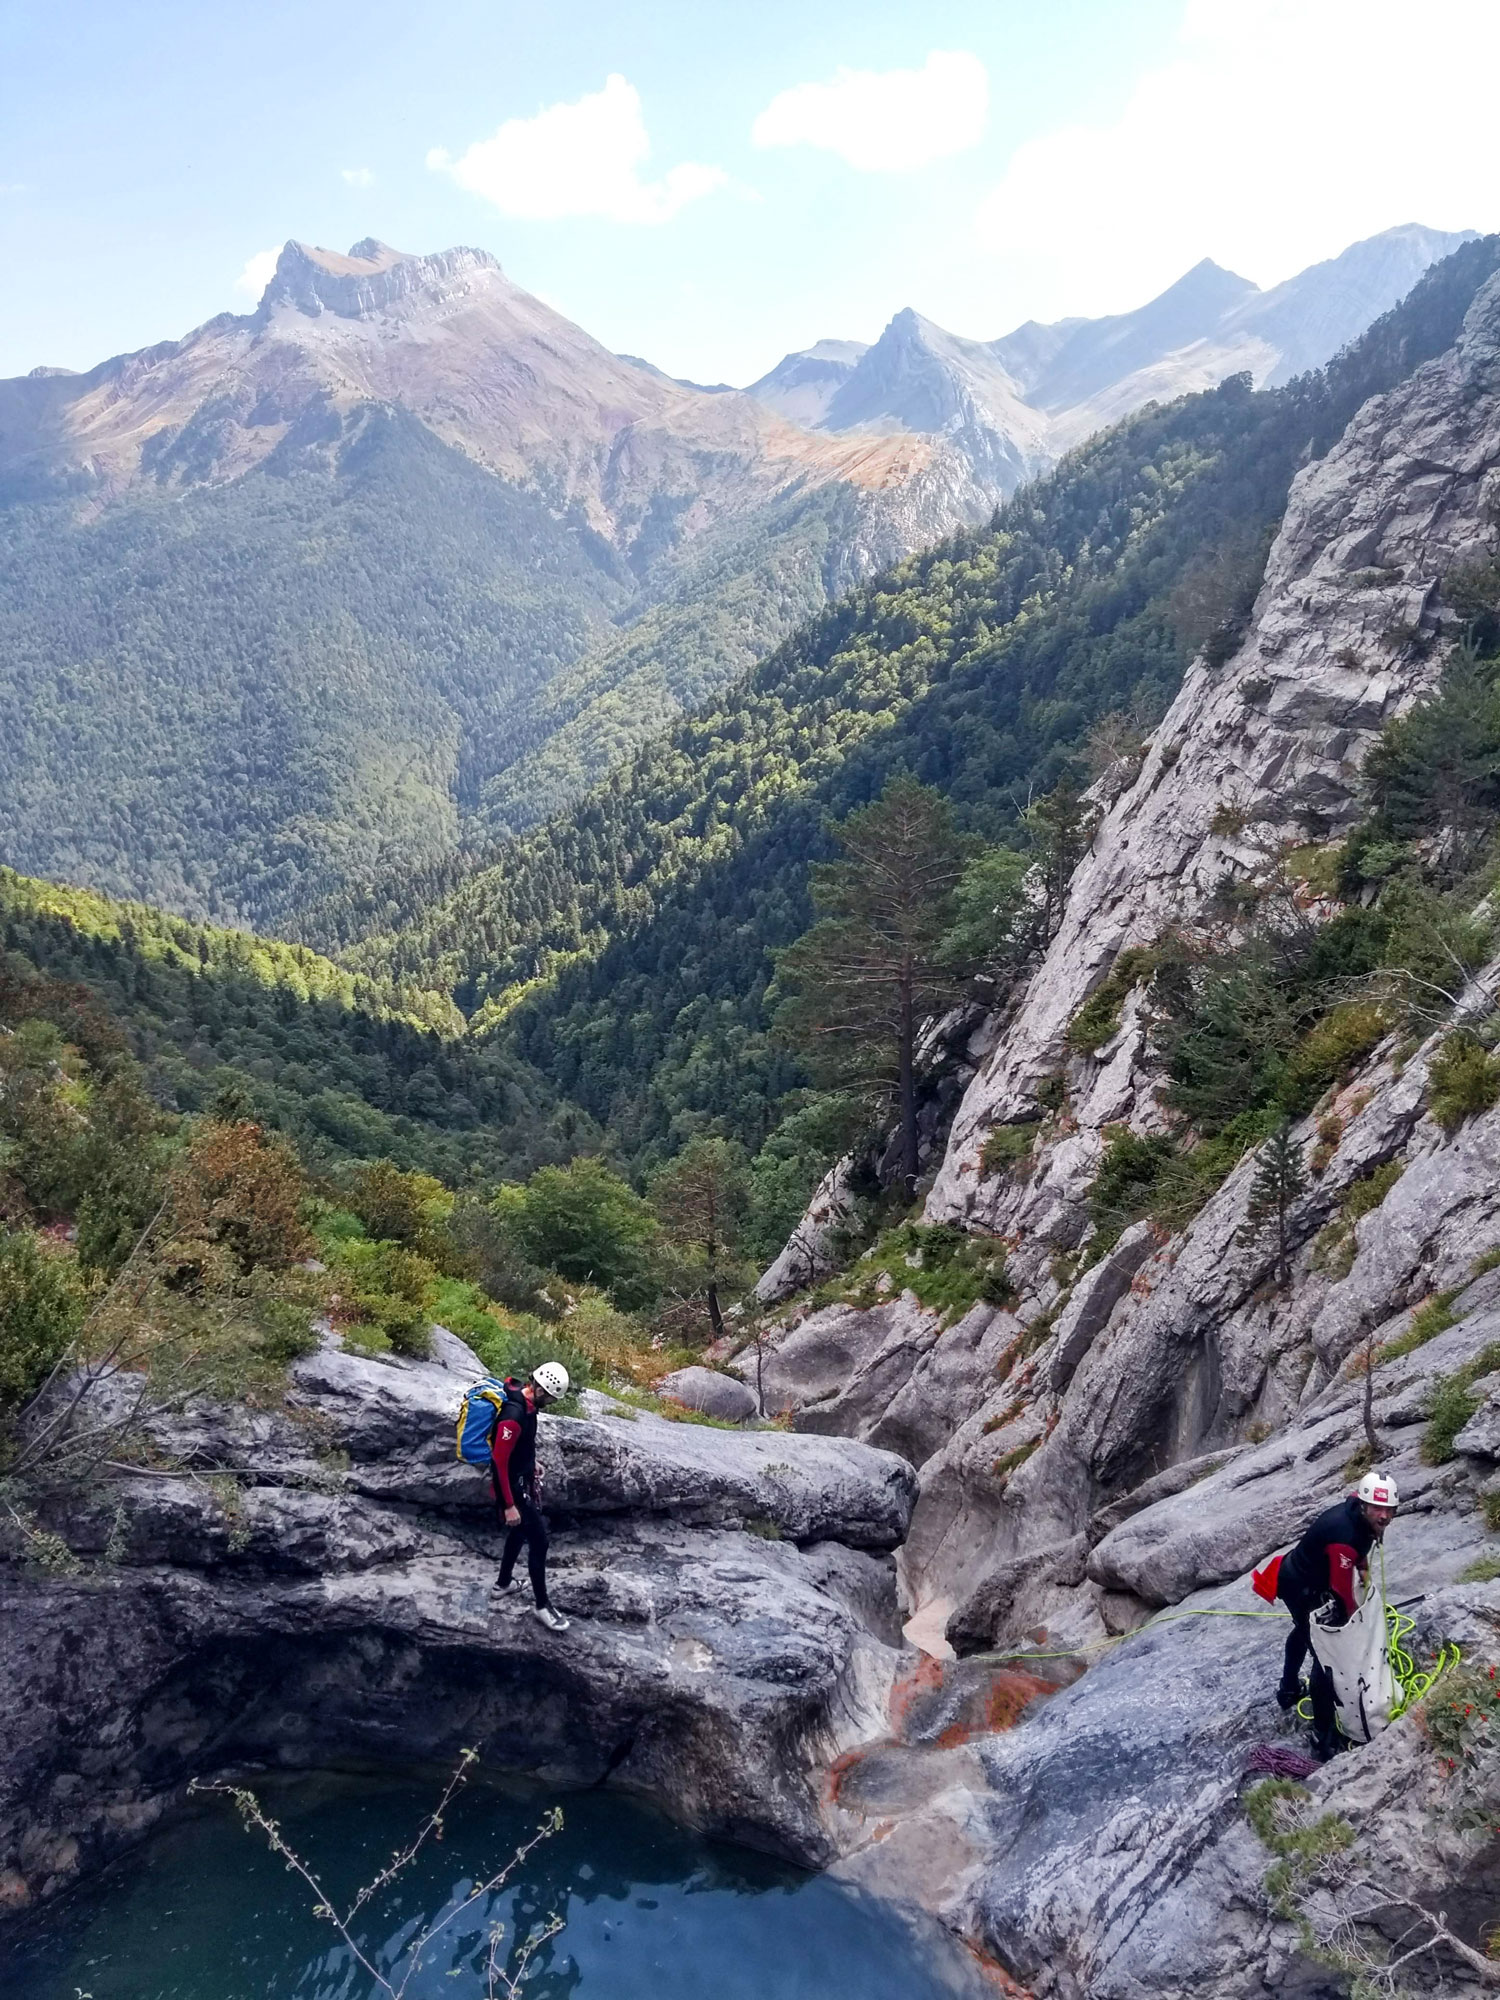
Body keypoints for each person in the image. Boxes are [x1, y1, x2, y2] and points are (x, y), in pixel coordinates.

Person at [1275, 1468, 1399, 1759]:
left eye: (1389, 1509)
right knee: (1324, 1656)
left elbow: (1358, 1553)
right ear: (1364, 1505)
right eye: (1378, 1509)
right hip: (1300, 1585)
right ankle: (1323, 1736)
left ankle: (1288, 1689)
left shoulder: (1359, 1515)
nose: (1384, 1516)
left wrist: (1363, 1566)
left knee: (1302, 1633)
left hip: (1302, 1576)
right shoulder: (1344, 1532)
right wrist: (1353, 1616)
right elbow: (1341, 1588)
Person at [491, 1361, 571, 1633]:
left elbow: (522, 1447)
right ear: (539, 1389)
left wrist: (531, 1463)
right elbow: (498, 1463)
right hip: (512, 1489)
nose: (550, 1402)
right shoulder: (513, 1415)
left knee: (520, 1534)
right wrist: (509, 1505)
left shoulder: (529, 1408)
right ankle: (542, 1606)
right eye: (549, 1397)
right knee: (540, 1541)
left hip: (521, 1479)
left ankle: (503, 1584)